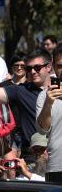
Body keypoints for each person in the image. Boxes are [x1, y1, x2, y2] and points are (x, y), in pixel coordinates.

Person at [0, 50, 53, 159]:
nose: (32, 72)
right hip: (32, 156)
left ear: (49, 67)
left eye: (37, 67)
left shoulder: (59, 89)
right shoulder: (21, 90)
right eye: (28, 69)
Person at [36, 48, 62, 182]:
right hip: (56, 166)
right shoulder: (44, 96)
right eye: (60, 66)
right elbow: (43, 129)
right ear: (53, 67)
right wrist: (48, 103)